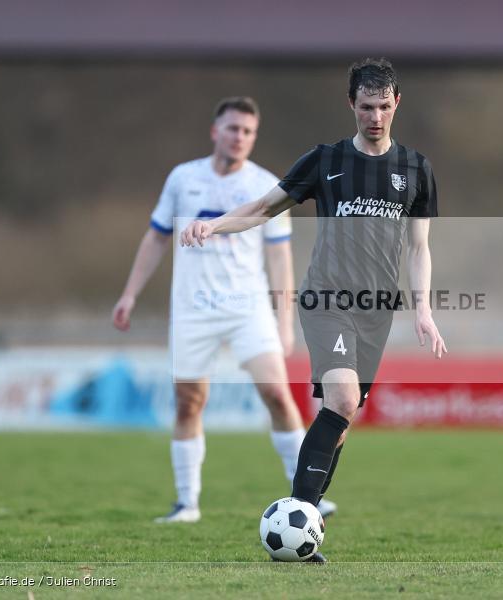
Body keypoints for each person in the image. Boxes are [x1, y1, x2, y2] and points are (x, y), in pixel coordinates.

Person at [180, 59, 446, 561]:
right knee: (342, 400)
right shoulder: (325, 161)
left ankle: (304, 525)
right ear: (351, 105)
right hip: (327, 299)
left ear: (396, 105)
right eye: (366, 107)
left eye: (384, 106)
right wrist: (213, 225)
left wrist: (423, 311)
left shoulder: (416, 170)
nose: (375, 116)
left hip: (376, 311)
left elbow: (419, 248)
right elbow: (263, 208)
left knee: (340, 418)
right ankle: (301, 514)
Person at [112, 96, 337, 524]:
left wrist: (284, 320)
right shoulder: (183, 179)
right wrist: (130, 294)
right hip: (193, 310)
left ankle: (308, 495)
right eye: (233, 129)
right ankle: (187, 503)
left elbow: (279, 258)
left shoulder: (268, 184)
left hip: (248, 309)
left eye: (248, 131)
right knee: (189, 402)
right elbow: (157, 236)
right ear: (216, 132)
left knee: (277, 394)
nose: (240, 137)